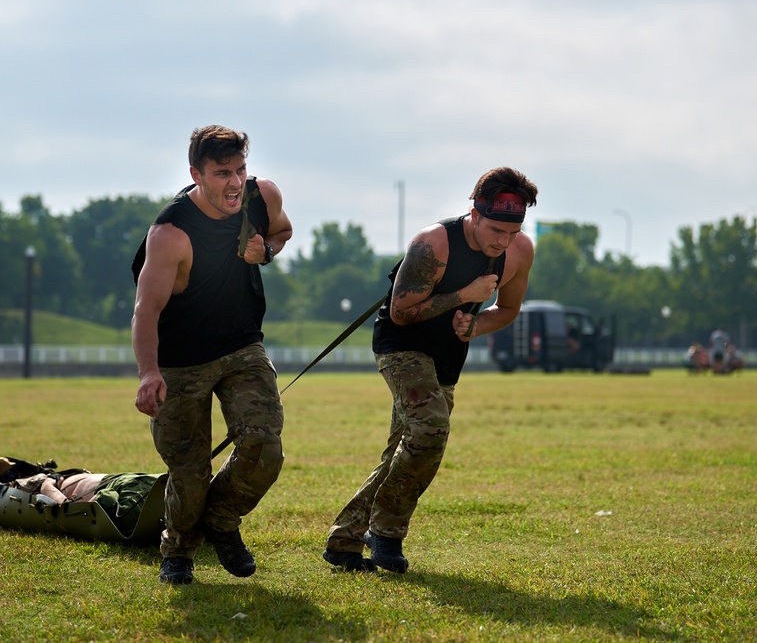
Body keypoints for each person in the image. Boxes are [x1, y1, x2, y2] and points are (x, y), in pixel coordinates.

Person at [323, 166, 538, 573]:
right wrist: (464, 296)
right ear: (474, 214)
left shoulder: (520, 251)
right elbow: (401, 312)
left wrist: (475, 324)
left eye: (512, 233)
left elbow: (507, 311)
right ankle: (385, 532)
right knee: (430, 428)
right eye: (495, 230)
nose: (502, 242)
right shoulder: (434, 243)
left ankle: (344, 541)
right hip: (401, 345)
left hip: (447, 356)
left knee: (406, 450)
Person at [131, 125, 293, 586]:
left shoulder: (263, 198)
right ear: (195, 175)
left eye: (241, 168)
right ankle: (179, 551)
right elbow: (146, 310)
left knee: (265, 447)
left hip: (242, 346)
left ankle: (221, 522)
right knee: (189, 468)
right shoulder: (170, 234)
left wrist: (266, 252)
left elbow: (283, 232)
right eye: (222, 173)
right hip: (179, 361)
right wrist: (147, 373)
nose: (235, 182)